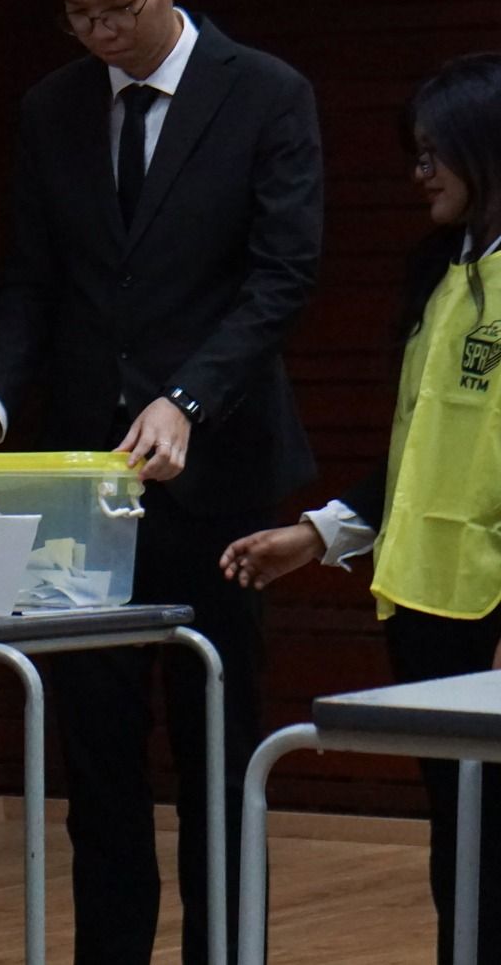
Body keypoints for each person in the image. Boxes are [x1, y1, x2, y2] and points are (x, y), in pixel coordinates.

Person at [0, 0, 324, 965]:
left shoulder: (264, 93)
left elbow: (280, 277)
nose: (99, 31)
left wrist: (189, 396)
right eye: (77, 13)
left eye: (119, 7)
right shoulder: (50, 110)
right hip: (85, 487)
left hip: (219, 477)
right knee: (95, 753)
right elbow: (29, 281)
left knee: (214, 742)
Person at [221, 52, 501, 965]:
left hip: (495, 610)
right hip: (425, 605)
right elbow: (415, 454)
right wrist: (313, 536)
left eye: (435, 152)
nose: (419, 171)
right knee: (459, 844)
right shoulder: (435, 273)